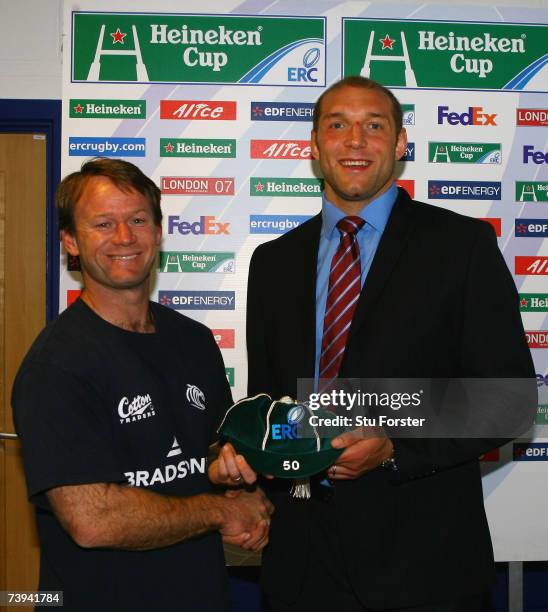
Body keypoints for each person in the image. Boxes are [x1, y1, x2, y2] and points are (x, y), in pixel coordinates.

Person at [236, 77, 535, 611]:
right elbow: (275, 404)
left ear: (400, 144)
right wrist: (247, 467)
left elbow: (509, 399)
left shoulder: (461, 246)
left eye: (373, 125)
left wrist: (395, 446)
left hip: (425, 563)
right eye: (337, 125)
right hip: (302, 564)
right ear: (314, 144)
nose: (355, 140)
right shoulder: (273, 261)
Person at [12, 158, 273, 612]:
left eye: (137, 220)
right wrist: (221, 512)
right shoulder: (56, 366)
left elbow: (214, 450)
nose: (124, 237)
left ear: (158, 231)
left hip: (202, 595)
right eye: (103, 223)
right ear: (71, 241)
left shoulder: (193, 339)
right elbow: (92, 519)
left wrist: (242, 486)